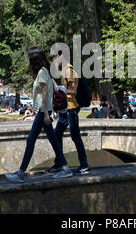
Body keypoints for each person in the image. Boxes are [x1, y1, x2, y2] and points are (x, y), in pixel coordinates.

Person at [6, 47, 73, 182]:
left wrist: (47, 113)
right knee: (53, 139)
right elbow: (53, 87)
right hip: (44, 111)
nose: (27, 59)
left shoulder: (42, 72)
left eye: (29, 57)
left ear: (34, 59)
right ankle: (65, 168)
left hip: (43, 112)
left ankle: (20, 173)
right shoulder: (45, 71)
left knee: (31, 140)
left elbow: (45, 93)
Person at [50, 50, 90, 175]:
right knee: (57, 134)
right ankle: (59, 164)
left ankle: (84, 164)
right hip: (66, 109)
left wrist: (61, 90)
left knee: (75, 136)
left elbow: (73, 91)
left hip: (71, 109)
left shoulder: (69, 71)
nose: (56, 58)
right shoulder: (65, 71)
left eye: (57, 56)